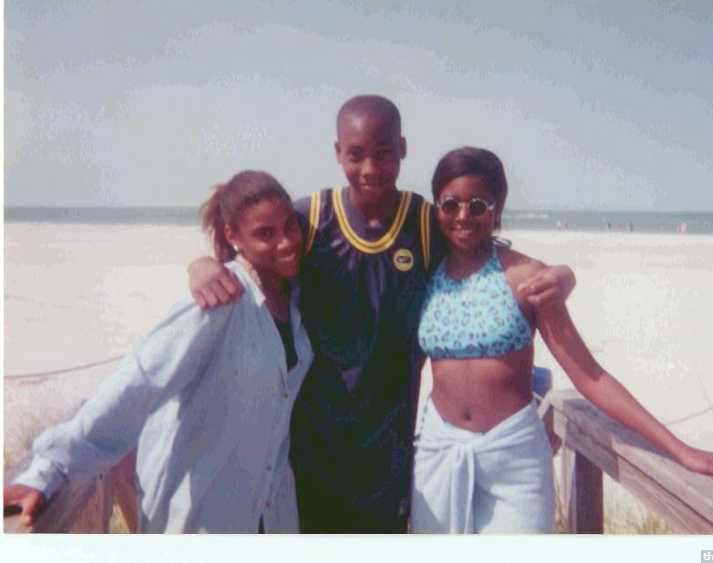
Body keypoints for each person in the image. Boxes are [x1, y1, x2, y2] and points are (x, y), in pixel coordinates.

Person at [186, 95, 577, 532]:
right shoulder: (311, 218)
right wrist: (204, 265)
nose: (370, 167)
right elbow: (252, 244)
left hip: (389, 449)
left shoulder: (424, 222)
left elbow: (483, 248)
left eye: (384, 153)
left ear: (403, 149)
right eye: (356, 155)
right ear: (337, 153)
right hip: (313, 443)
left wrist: (562, 275)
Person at [411, 147, 713, 534]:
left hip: (513, 459)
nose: (462, 216)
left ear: (497, 208)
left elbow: (590, 376)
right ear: (436, 207)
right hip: (439, 451)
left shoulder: (527, 279)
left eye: (477, 205)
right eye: (450, 204)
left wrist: (681, 451)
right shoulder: (422, 272)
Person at [3, 170, 313, 533]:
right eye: (265, 234)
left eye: (290, 226)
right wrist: (47, 472)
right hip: (203, 520)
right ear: (233, 236)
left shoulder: (293, 300)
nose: (286, 242)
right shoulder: (218, 302)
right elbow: (138, 383)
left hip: (269, 516)